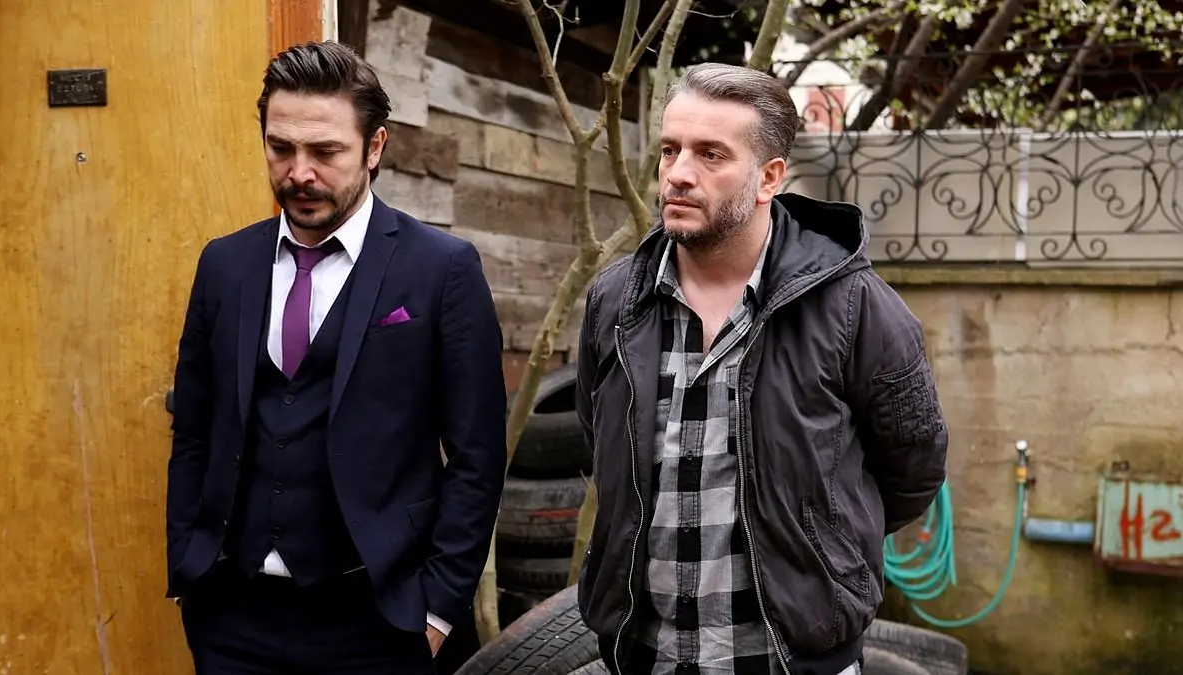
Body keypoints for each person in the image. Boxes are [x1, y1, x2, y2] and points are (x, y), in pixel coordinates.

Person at [573, 63, 949, 675]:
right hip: (646, 654)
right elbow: (602, 448)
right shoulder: (615, 303)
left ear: (769, 177)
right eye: (670, 150)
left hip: (791, 658)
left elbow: (913, 467)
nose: (678, 173)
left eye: (711, 154)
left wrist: (821, 547)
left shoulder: (853, 307)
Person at [165, 40, 508, 675]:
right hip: (232, 616)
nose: (299, 173)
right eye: (281, 148)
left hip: (378, 618)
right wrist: (188, 565)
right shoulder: (224, 264)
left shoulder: (441, 270)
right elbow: (194, 427)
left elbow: (478, 456)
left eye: (325, 152)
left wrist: (438, 608)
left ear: (374, 148)